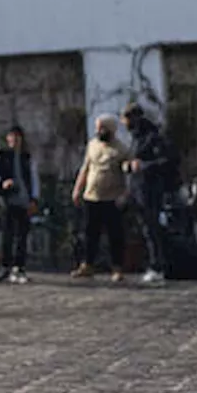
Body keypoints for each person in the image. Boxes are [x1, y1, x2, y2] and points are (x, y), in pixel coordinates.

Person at [122, 102, 177, 286]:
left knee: (153, 228)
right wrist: (129, 167)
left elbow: (167, 160)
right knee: (146, 229)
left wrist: (142, 166)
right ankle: (154, 264)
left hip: (150, 190)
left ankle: (158, 266)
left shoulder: (152, 137)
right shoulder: (136, 138)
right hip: (138, 189)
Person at [71, 114, 129, 282]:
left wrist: (125, 194)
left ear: (110, 129)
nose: (98, 131)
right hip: (92, 196)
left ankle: (117, 268)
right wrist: (77, 189)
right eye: (97, 128)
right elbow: (85, 168)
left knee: (115, 235)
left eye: (101, 128)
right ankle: (87, 265)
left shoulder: (121, 149)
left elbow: (128, 173)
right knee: (90, 233)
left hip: (112, 198)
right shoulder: (92, 145)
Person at [0, 126, 40, 284]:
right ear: (8, 139)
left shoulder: (27, 157)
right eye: (12, 137)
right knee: (7, 234)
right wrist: (1, 182)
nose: (15, 140)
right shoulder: (0, 154)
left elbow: (34, 179)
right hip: (7, 200)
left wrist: (34, 199)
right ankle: (5, 267)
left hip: (24, 200)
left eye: (18, 137)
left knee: (22, 235)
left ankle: (19, 268)